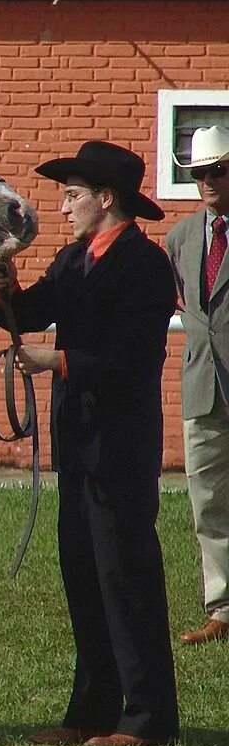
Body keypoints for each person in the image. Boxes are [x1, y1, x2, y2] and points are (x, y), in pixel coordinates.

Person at [0, 141, 180, 746]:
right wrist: (4, 289)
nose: (64, 207)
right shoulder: (75, 260)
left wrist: (59, 361)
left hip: (120, 446)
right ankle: (92, 712)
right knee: (85, 576)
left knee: (126, 578)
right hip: (80, 443)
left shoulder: (144, 266)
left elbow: (133, 359)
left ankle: (148, 719)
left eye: (73, 196)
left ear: (106, 199)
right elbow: (27, 312)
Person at [167, 125, 229, 645]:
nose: (207, 181)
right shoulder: (181, 237)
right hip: (202, 384)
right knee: (207, 500)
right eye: (199, 174)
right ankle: (223, 608)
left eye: (218, 171)